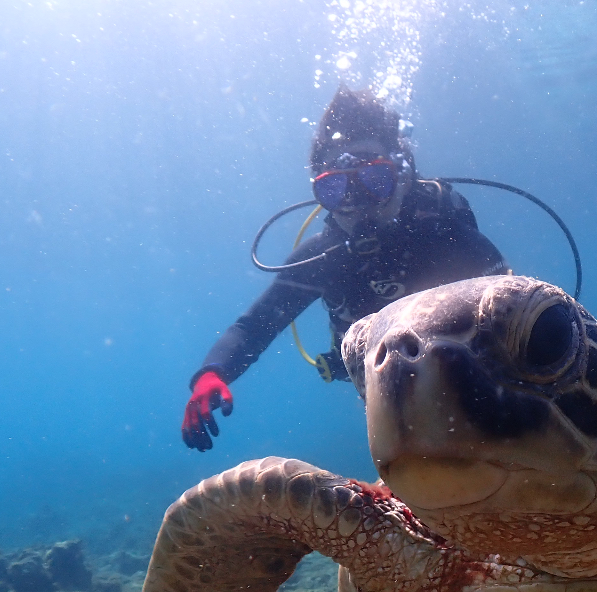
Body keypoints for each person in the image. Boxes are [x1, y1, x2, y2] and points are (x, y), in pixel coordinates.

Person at [181, 87, 510, 451]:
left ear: (402, 176)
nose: (358, 204)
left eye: (374, 181)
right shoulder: (325, 258)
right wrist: (212, 373)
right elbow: (255, 326)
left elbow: (518, 317)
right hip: (384, 390)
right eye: (337, 188)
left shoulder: (447, 237)